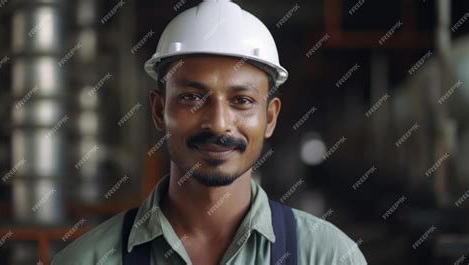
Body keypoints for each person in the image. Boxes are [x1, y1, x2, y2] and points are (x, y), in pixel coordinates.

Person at [52, 0, 367, 264]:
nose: (218, 124)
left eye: (241, 101)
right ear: (159, 110)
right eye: (192, 98)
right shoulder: (87, 259)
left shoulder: (330, 256)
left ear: (270, 118)